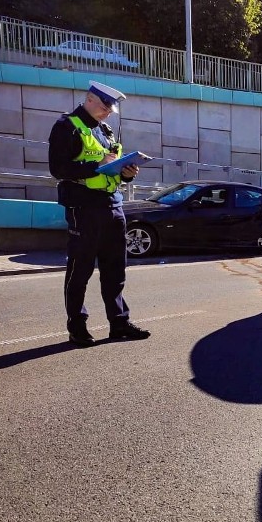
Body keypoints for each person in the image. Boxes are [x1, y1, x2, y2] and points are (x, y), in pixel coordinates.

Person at [48, 81, 151, 346]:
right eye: (105, 106)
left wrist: (126, 173)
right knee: (80, 270)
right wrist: (97, 165)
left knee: (115, 270)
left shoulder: (105, 130)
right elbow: (58, 170)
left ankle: (119, 323)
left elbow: (112, 170)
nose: (108, 112)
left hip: (112, 206)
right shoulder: (66, 127)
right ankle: (77, 326)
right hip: (83, 207)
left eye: (110, 109)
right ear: (90, 99)